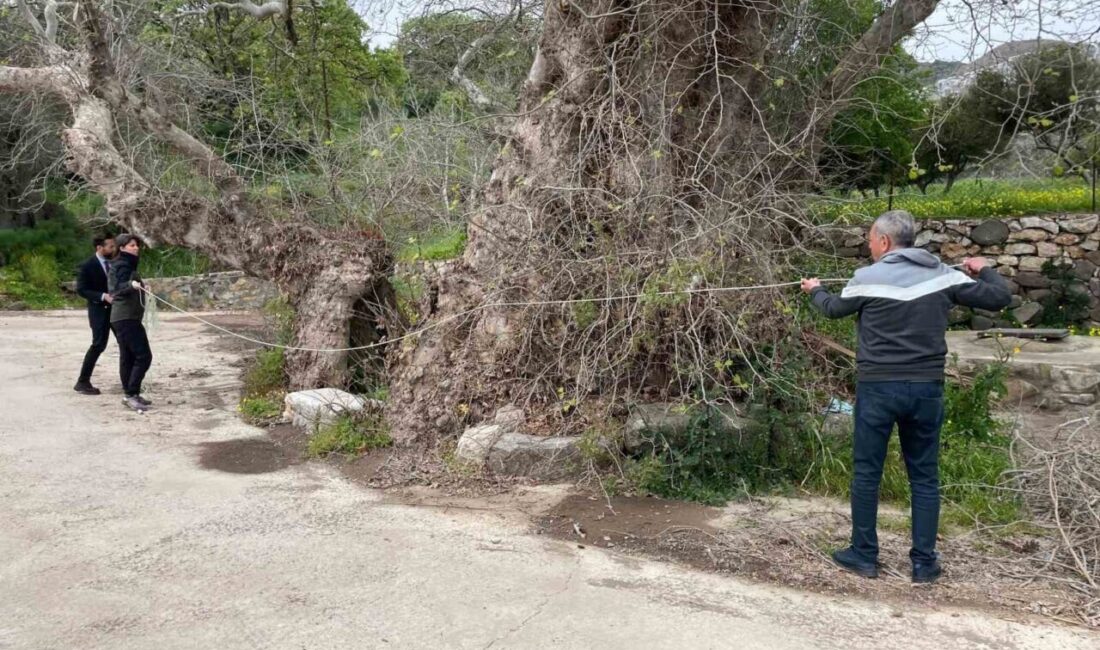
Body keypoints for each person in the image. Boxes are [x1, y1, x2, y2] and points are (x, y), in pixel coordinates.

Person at [801, 210, 1012, 584]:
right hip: (927, 389)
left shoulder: (867, 278)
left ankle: (864, 556)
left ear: (884, 242)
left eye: (870, 240)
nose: (868, 246)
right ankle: (924, 564)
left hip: (878, 389)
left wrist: (814, 290)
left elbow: (833, 309)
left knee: (868, 473)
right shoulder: (945, 276)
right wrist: (982, 268)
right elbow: (1000, 297)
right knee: (925, 477)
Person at [108, 233, 154, 412]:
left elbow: (128, 285)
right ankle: (131, 393)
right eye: (131, 245)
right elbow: (115, 288)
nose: (136, 248)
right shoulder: (120, 265)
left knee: (128, 357)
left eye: (136, 245)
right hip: (124, 317)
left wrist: (142, 287)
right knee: (143, 356)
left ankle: (130, 394)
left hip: (128, 317)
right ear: (121, 248)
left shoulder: (129, 265)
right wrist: (131, 286)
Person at [74, 236, 117, 395]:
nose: (114, 249)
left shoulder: (114, 263)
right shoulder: (87, 266)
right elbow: (82, 289)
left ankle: (130, 382)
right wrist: (102, 296)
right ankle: (83, 381)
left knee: (126, 342)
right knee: (99, 344)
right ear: (100, 247)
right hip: (98, 310)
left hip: (116, 310)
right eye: (110, 246)